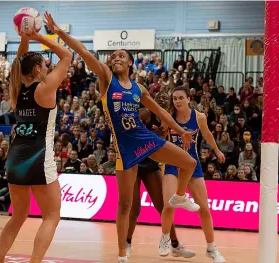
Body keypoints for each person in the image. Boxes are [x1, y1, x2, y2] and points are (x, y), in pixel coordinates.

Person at [43, 12, 200, 263]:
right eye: (113, 56)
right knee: (126, 206)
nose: (116, 58)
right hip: (125, 149)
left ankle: (179, 197)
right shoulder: (106, 79)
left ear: (130, 63)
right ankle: (121, 254)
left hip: (144, 139)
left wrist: (182, 131)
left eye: (121, 56)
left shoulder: (139, 88)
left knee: (189, 162)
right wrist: (58, 32)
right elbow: (83, 51)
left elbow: (160, 112)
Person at [0, 22, 73, 263]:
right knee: (51, 216)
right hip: (39, 158)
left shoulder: (16, 90)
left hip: (15, 159)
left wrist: (24, 40)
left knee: (18, 215)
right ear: (38, 68)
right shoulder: (46, 88)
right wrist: (38, 35)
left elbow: (19, 63)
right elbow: (67, 55)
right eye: (45, 65)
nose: (48, 68)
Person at [160, 86, 226, 263]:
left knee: (204, 209)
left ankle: (211, 248)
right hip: (172, 165)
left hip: (192, 165)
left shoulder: (199, 117)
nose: (177, 101)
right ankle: (165, 239)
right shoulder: (168, 117)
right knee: (168, 205)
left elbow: (207, 134)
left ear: (189, 99)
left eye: (181, 98)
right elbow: (159, 136)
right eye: (174, 98)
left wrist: (217, 150)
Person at [126, 91, 195, 258]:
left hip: (150, 165)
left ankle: (175, 245)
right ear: (153, 100)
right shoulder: (146, 113)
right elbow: (127, 129)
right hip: (133, 162)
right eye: (160, 97)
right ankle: (126, 243)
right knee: (134, 209)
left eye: (166, 97)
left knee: (164, 206)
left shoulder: (169, 118)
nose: (163, 98)